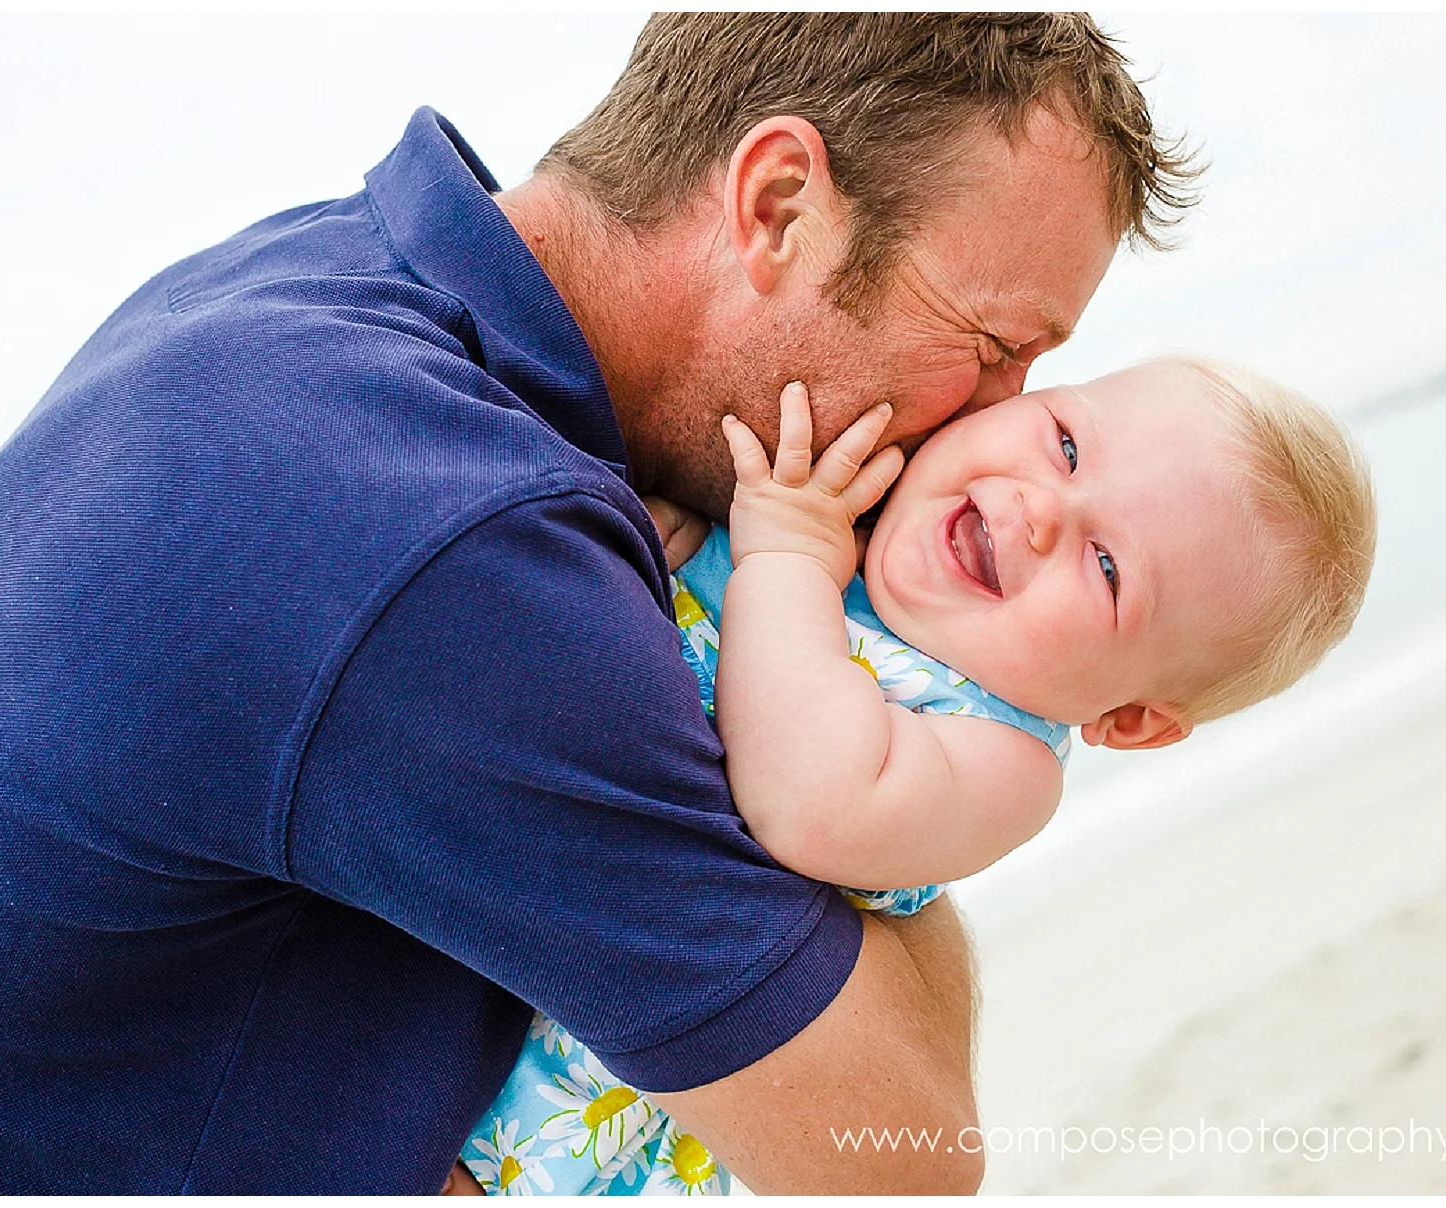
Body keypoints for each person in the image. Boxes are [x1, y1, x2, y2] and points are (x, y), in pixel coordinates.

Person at [0, 14, 1199, 1194]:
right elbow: (897, 1151)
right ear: (780, 206)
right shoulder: (459, 540)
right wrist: (949, 718)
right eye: (992, 348)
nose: (991, 419)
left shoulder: (310, 287)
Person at [459, 359, 1376, 1195]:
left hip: (558, 1121)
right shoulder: (835, 511)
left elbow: (810, 801)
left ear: (1129, 718)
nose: (1040, 510)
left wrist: (782, 557)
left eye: (1106, 567)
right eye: (1065, 445)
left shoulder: (999, 754)